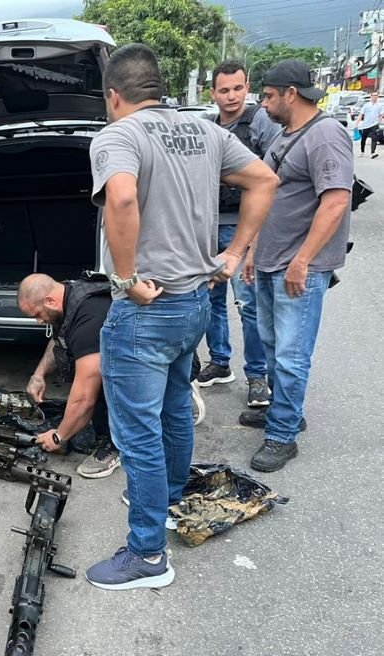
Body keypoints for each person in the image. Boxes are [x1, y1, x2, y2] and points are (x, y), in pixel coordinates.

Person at [83, 44, 279, 590]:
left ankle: (148, 556)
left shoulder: (118, 135)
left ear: (114, 96)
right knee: (172, 406)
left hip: (147, 309)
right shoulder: (207, 132)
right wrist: (235, 253)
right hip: (194, 301)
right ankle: (168, 496)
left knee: (137, 434)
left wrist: (124, 280)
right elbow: (265, 181)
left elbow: (121, 201)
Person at [240, 60, 353, 472]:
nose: (264, 103)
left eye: (268, 95)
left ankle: (283, 434)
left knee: (290, 354)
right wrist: (253, 249)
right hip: (271, 260)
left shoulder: (325, 135)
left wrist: (303, 260)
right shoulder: (285, 135)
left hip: (298, 266)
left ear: (291, 93)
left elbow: (336, 200)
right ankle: (285, 411)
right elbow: (267, 196)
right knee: (271, 346)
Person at [198, 60, 281, 407]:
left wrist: (257, 234)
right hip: (209, 224)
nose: (231, 96)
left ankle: (258, 376)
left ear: (247, 88)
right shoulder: (208, 126)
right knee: (210, 300)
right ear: (213, 93)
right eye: (224, 90)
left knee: (248, 304)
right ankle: (219, 361)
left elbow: (274, 174)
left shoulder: (260, 121)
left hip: (243, 227)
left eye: (237, 88)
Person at [17, 273, 120, 479]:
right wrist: (39, 374)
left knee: (98, 389)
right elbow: (60, 339)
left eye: (37, 314)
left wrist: (58, 436)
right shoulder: (67, 297)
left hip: (148, 367)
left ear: (49, 301)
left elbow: (84, 398)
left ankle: (117, 444)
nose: (38, 321)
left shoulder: (89, 320)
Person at [356, 91, 383, 159]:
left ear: (377, 97)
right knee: (363, 139)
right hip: (366, 125)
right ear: (371, 97)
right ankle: (362, 151)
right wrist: (357, 123)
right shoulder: (366, 105)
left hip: (374, 124)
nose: (375, 97)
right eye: (373, 95)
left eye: (376, 95)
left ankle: (372, 153)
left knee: (374, 138)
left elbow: (381, 115)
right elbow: (361, 114)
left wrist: (378, 122)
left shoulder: (380, 105)